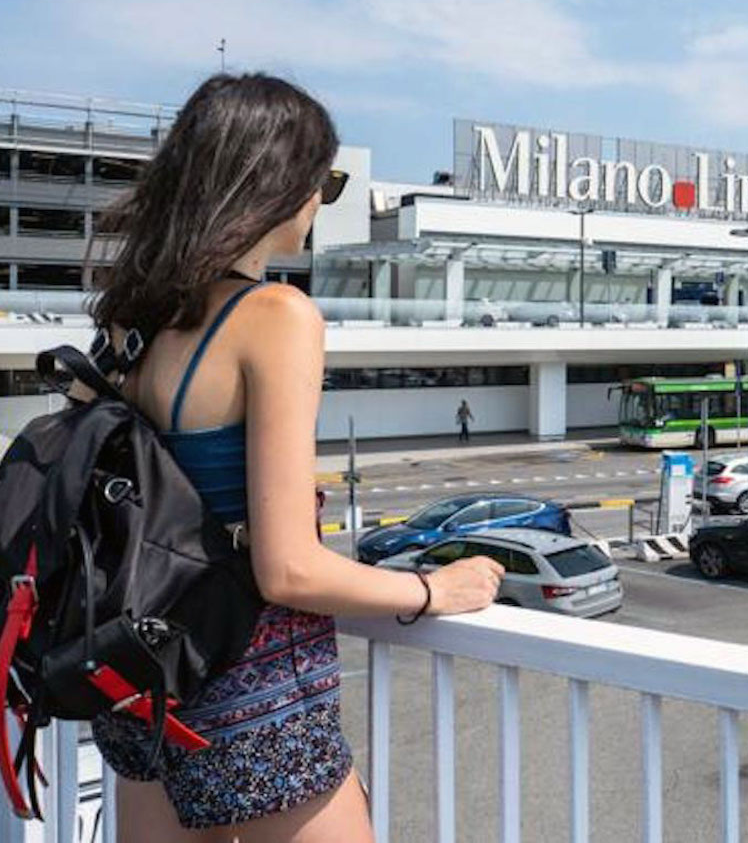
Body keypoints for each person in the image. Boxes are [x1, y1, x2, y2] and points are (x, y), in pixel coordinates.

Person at [85, 74, 504, 843]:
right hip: (257, 714)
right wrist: (429, 589)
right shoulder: (274, 316)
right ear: (276, 184)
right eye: (326, 181)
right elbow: (288, 570)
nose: (322, 201)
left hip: (144, 703)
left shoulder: (130, 325)